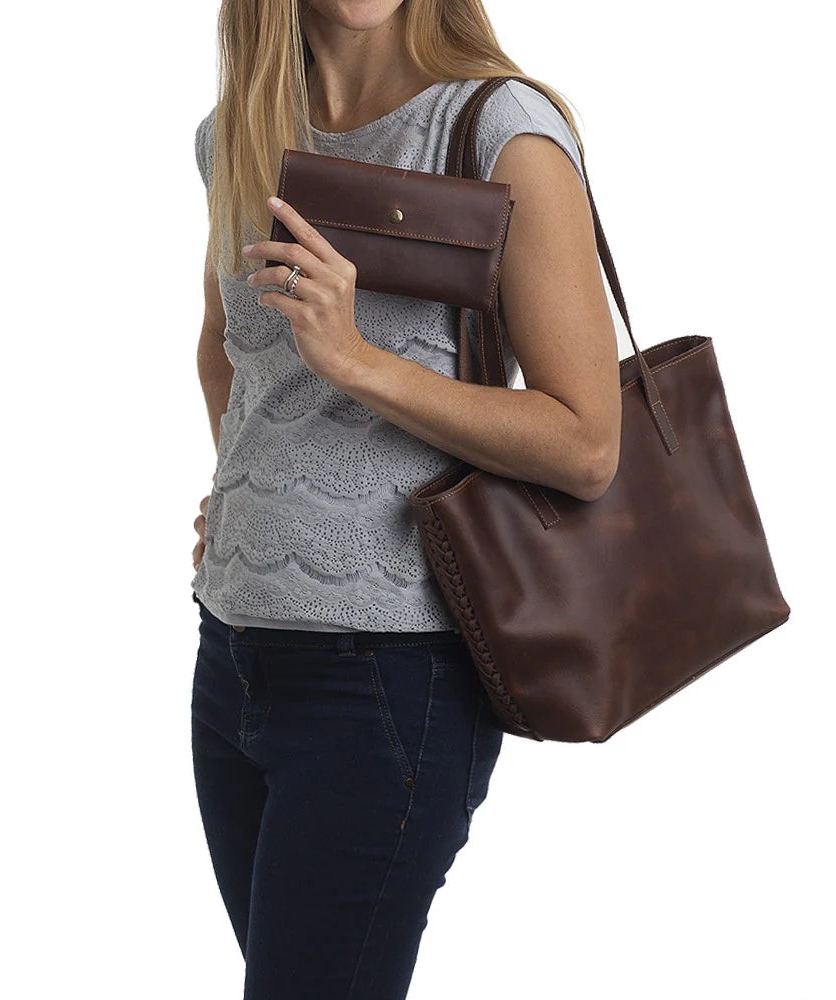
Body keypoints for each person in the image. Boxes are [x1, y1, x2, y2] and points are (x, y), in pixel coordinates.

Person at [188, 1, 622, 996]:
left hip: (388, 676)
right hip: (231, 660)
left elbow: (586, 442)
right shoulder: (238, 133)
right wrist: (253, 489)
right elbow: (228, 345)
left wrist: (356, 361)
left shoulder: (501, 131)